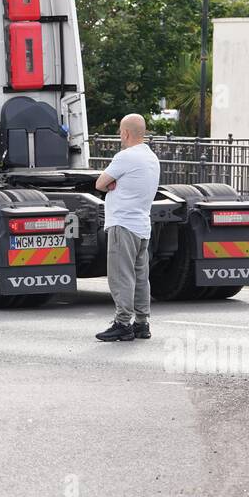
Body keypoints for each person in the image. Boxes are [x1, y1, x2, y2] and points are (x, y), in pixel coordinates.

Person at [93, 114, 161, 342]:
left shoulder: (126, 157)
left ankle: (122, 323)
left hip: (122, 224)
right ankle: (142, 323)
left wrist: (113, 184)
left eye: (120, 132)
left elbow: (100, 183)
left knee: (121, 276)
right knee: (141, 276)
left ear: (125, 133)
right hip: (142, 226)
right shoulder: (152, 158)